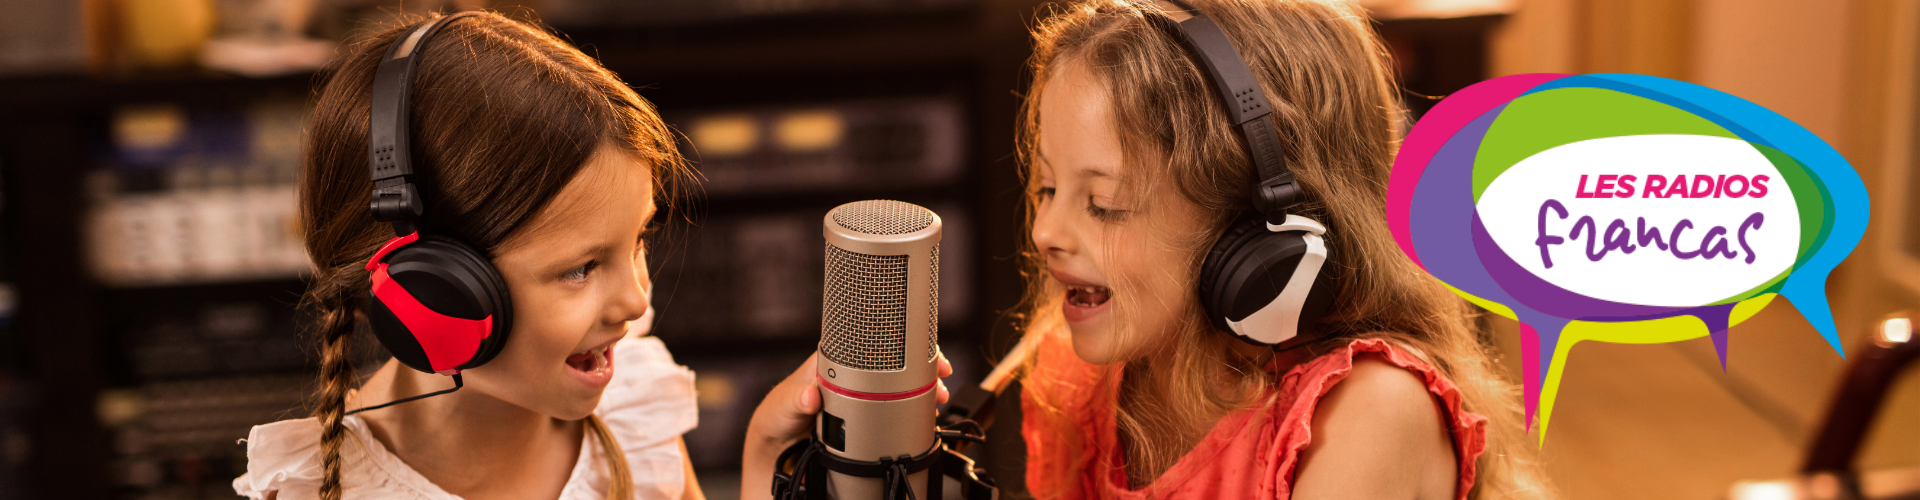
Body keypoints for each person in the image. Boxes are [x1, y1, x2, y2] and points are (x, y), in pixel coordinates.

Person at [753, 1, 1556, 499]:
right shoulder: (1099, 377)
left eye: (1103, 204)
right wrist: (772, 456)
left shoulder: (1372, 412)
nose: (1045, 233)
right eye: (1046, 188)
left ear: (1260, 233)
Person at [231, 11, 704, 500]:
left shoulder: (634, 415)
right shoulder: (315, 489)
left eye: (639, 238)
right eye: (580, 269)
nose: (636, 302)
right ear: (430, 290)